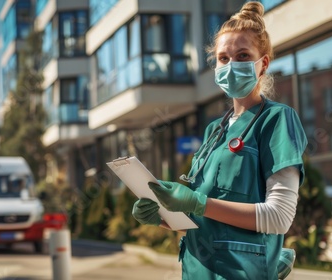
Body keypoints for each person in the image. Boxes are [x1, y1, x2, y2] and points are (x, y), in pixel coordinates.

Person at [131, 2, 307, 279]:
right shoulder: (215, 130)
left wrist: (197, 202)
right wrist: (163, 218)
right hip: (197, 271)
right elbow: (207, 221)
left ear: (263, 64)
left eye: (242, 55)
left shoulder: (277, 119)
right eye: (223, 58)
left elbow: (279, 218)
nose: (231, 65)